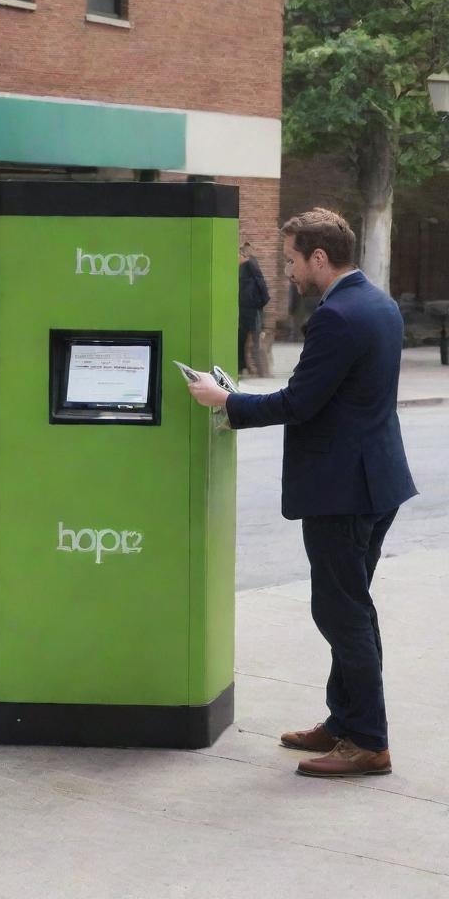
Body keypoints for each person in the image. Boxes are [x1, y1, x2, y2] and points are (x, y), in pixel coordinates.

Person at [187, 208, 417, 778]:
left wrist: (227, 404)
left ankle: (367, 740)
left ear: (319, 257)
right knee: (351, 608)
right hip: (375, 479)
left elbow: (299, 402)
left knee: (342, 612)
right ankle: (345, 721)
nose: (286, 271)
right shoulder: (379, 303)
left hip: (344, 488)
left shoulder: (336, 316)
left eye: (291, 259)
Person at [238, 242, 269, 375]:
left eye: (238, 254)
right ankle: (245, 367)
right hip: (247, 308)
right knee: (243, 339)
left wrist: (261, 301)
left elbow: (260, 283)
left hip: (252, 308)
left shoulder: (249, 265)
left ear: (243, 254)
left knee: (255, 341)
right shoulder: (244, 267)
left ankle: (262, 371)